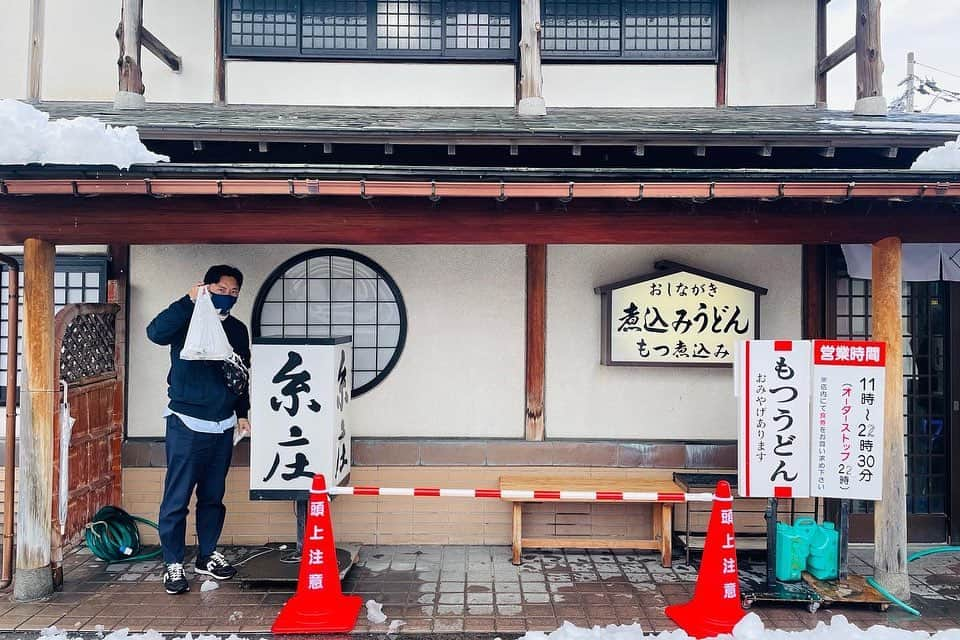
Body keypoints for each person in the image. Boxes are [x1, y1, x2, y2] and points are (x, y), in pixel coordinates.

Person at [147, 265, 251, 595]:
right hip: (186, 422)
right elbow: (155, 333)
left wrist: (242, 413)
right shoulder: (187, 319)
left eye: (233, 293)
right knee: (177, 498)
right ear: (206, 287)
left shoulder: (236, 329)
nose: (227, 298)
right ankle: (173, 562)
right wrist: (188, 301)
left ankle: (207, 555)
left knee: (212, 496)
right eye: (221, 290)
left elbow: (241, 375)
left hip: (222, 425)